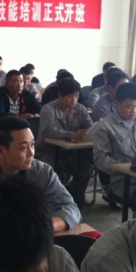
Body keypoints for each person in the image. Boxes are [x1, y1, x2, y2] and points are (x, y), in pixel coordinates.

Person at [0, 116, 81, 237]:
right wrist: (6, 231)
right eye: (23, 148)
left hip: (33, 240)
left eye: (32, 145)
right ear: (1, 150)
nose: (31, 153)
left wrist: (42, 226)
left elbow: (71, 209)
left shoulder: (43, 172)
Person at [36, 78, 93, 207]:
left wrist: (86, 133)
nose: (74, 100)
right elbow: (49, 131)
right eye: (70, 96)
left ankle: (76, 200)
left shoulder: (80, 109)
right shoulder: (48, 109)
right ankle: (49, 201)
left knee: (85, 168)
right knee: (49, 169)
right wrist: (72, 134)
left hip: (72, 150)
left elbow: (91, 127)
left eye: (76, 96)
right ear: (60, 95)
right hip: (48, 150)